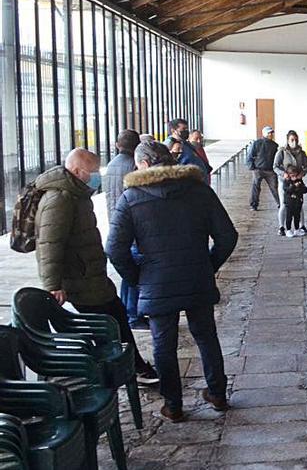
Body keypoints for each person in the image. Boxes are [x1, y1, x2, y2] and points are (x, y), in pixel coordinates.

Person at [106, 141, 237, 423]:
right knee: (206, 336)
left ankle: (174, 404)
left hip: (157, 283)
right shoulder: (200, 190)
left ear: (142, 165)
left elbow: (114, 249)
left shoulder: (131, 198)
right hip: (196, 280)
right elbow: (228, 236)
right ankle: (217, 394)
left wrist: (139, 278)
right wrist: (207, 266)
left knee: (163, 344)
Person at [34, 148, 160, 386]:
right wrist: (53, 284)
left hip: (91, 275)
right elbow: (50, 243)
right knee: (108, 323)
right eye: (92, 171)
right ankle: (125, 370)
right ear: (77, 170)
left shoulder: (75, 194)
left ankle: (131, 366)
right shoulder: (59, 199)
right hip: (80, 278)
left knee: (117, 316)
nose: (96, 176)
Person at [103, 129, 147, 330]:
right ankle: (133, 315)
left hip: (116, 223)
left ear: (116, 145)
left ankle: (129, 311)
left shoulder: (111, 165)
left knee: (127, 272)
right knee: (134, 274)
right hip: (132, 227)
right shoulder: (133, 166)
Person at [273, 130, 307, 236]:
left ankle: (301, 226)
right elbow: (275, 166)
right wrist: (283, 174)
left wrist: (302, 174)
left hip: (298, 182)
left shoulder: (302, 153)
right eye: (292, 140)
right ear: (287, 140)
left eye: (295, 139)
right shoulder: (282, 152)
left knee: (299, 204)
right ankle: (282, 227)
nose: (294, 142)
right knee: (284, 204)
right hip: (285, 182)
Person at [246, 126, 280, 212]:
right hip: (259, 170)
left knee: (274, 187)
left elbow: (277, 158)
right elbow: (250, 155)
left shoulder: (275, 145)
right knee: (256, 187)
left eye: (271, 133)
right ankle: (254, 205)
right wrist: (252, 167)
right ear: (265, 134)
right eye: (269, 133)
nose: (271, 134)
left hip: (270, 170)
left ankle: (281, 204)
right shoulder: (257, 143)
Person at [282, 165, 307, 238]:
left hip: (298, 201)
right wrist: (293, 186)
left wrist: (300, 187)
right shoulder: (286, 181)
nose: (294, 177)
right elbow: (287, 190)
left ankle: (297, 229)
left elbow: (305, 190)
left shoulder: (299, 181)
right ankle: (288, 230)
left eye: (295, 175)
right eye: (292, 175)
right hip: (289, 202)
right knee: (289, 216)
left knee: (297, 216)